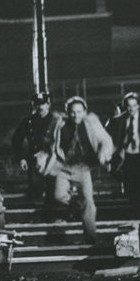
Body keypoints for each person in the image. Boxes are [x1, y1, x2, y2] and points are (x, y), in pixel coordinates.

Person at [36, 96, 113, 244]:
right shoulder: (59, 123)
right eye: (72, 112)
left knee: (89, 202)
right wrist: (43, 159)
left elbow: (105, 140)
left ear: (84, 112)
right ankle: (76, 206)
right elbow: (49, 143)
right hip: (63, 167)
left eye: (79, 112)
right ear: (67, 112)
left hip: (82, 168)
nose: (76, 115)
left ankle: (91, 236)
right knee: (58, 196)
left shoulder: (92, 123)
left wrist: (104, 154)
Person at [11, 91, 56, 202]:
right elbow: (16, 139)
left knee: (54, 192)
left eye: (43, 103)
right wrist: (21, 158)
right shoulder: (28, 121)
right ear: (33, 105)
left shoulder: (56, 120)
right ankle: (35, 218)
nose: (40, 107)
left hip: (53, 160)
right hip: (34, 161)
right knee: (35, 193)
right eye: (37, 104)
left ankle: (54, 217)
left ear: (48, 104)